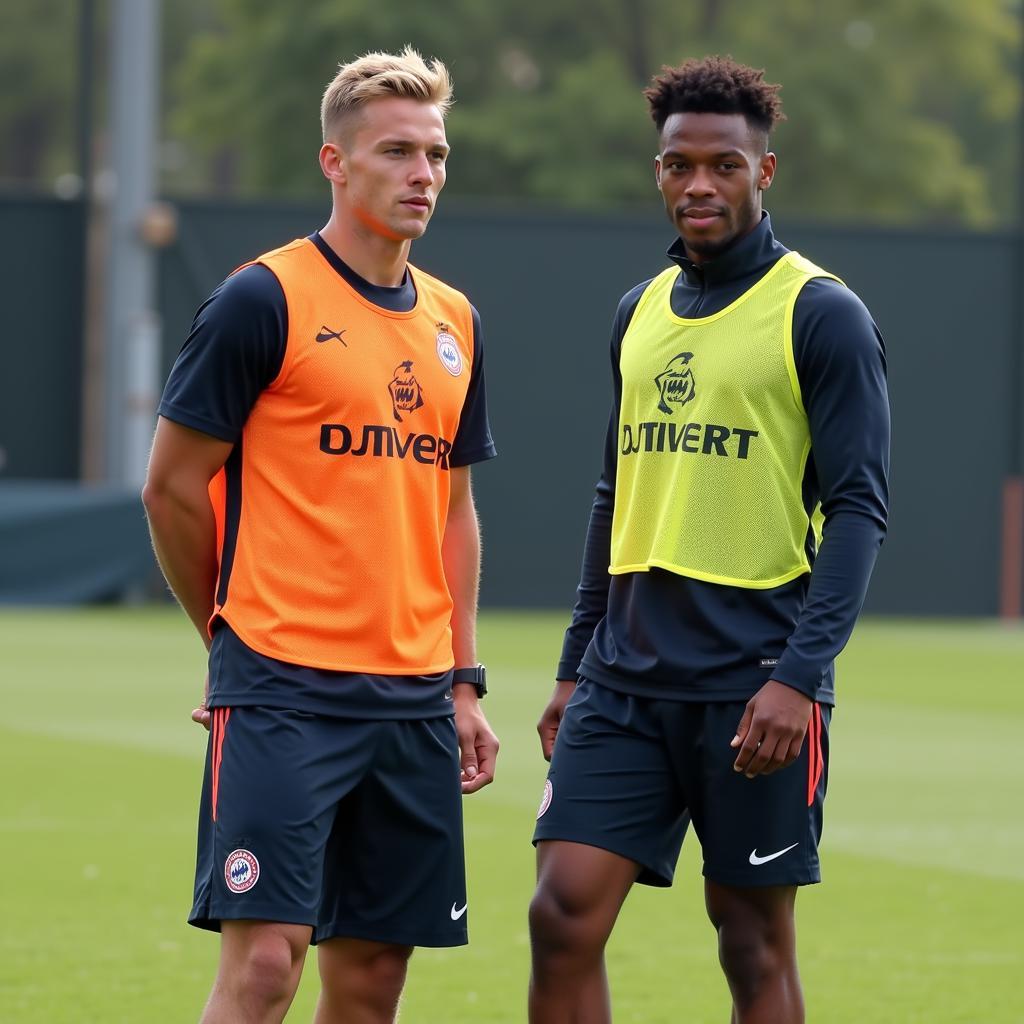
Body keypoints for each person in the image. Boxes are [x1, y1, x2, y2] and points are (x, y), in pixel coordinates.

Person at [529, 55, 889, 1023]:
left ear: (763, 173)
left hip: (753, 678)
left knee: (750, 940)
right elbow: (617, 496)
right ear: (657, 172)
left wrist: (799, 677)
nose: (697, 183)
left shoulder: (823, 314)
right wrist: (573, 665)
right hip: (624, 678)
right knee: (561, 914)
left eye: (722, 165)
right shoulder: (636, 311)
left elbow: (859, 507)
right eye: (677, 164)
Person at [142, 47, 498, 1024]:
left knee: (373, 978)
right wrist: (228, 635)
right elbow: (171, 489)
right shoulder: (262, 298)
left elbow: (453, 509)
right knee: (262, 971)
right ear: (335, 164)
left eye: (435, 153)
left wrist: (463, 680)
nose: (421, 173)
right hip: (284, 686)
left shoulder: (454, 320)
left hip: (414, 697)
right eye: (395, 151)